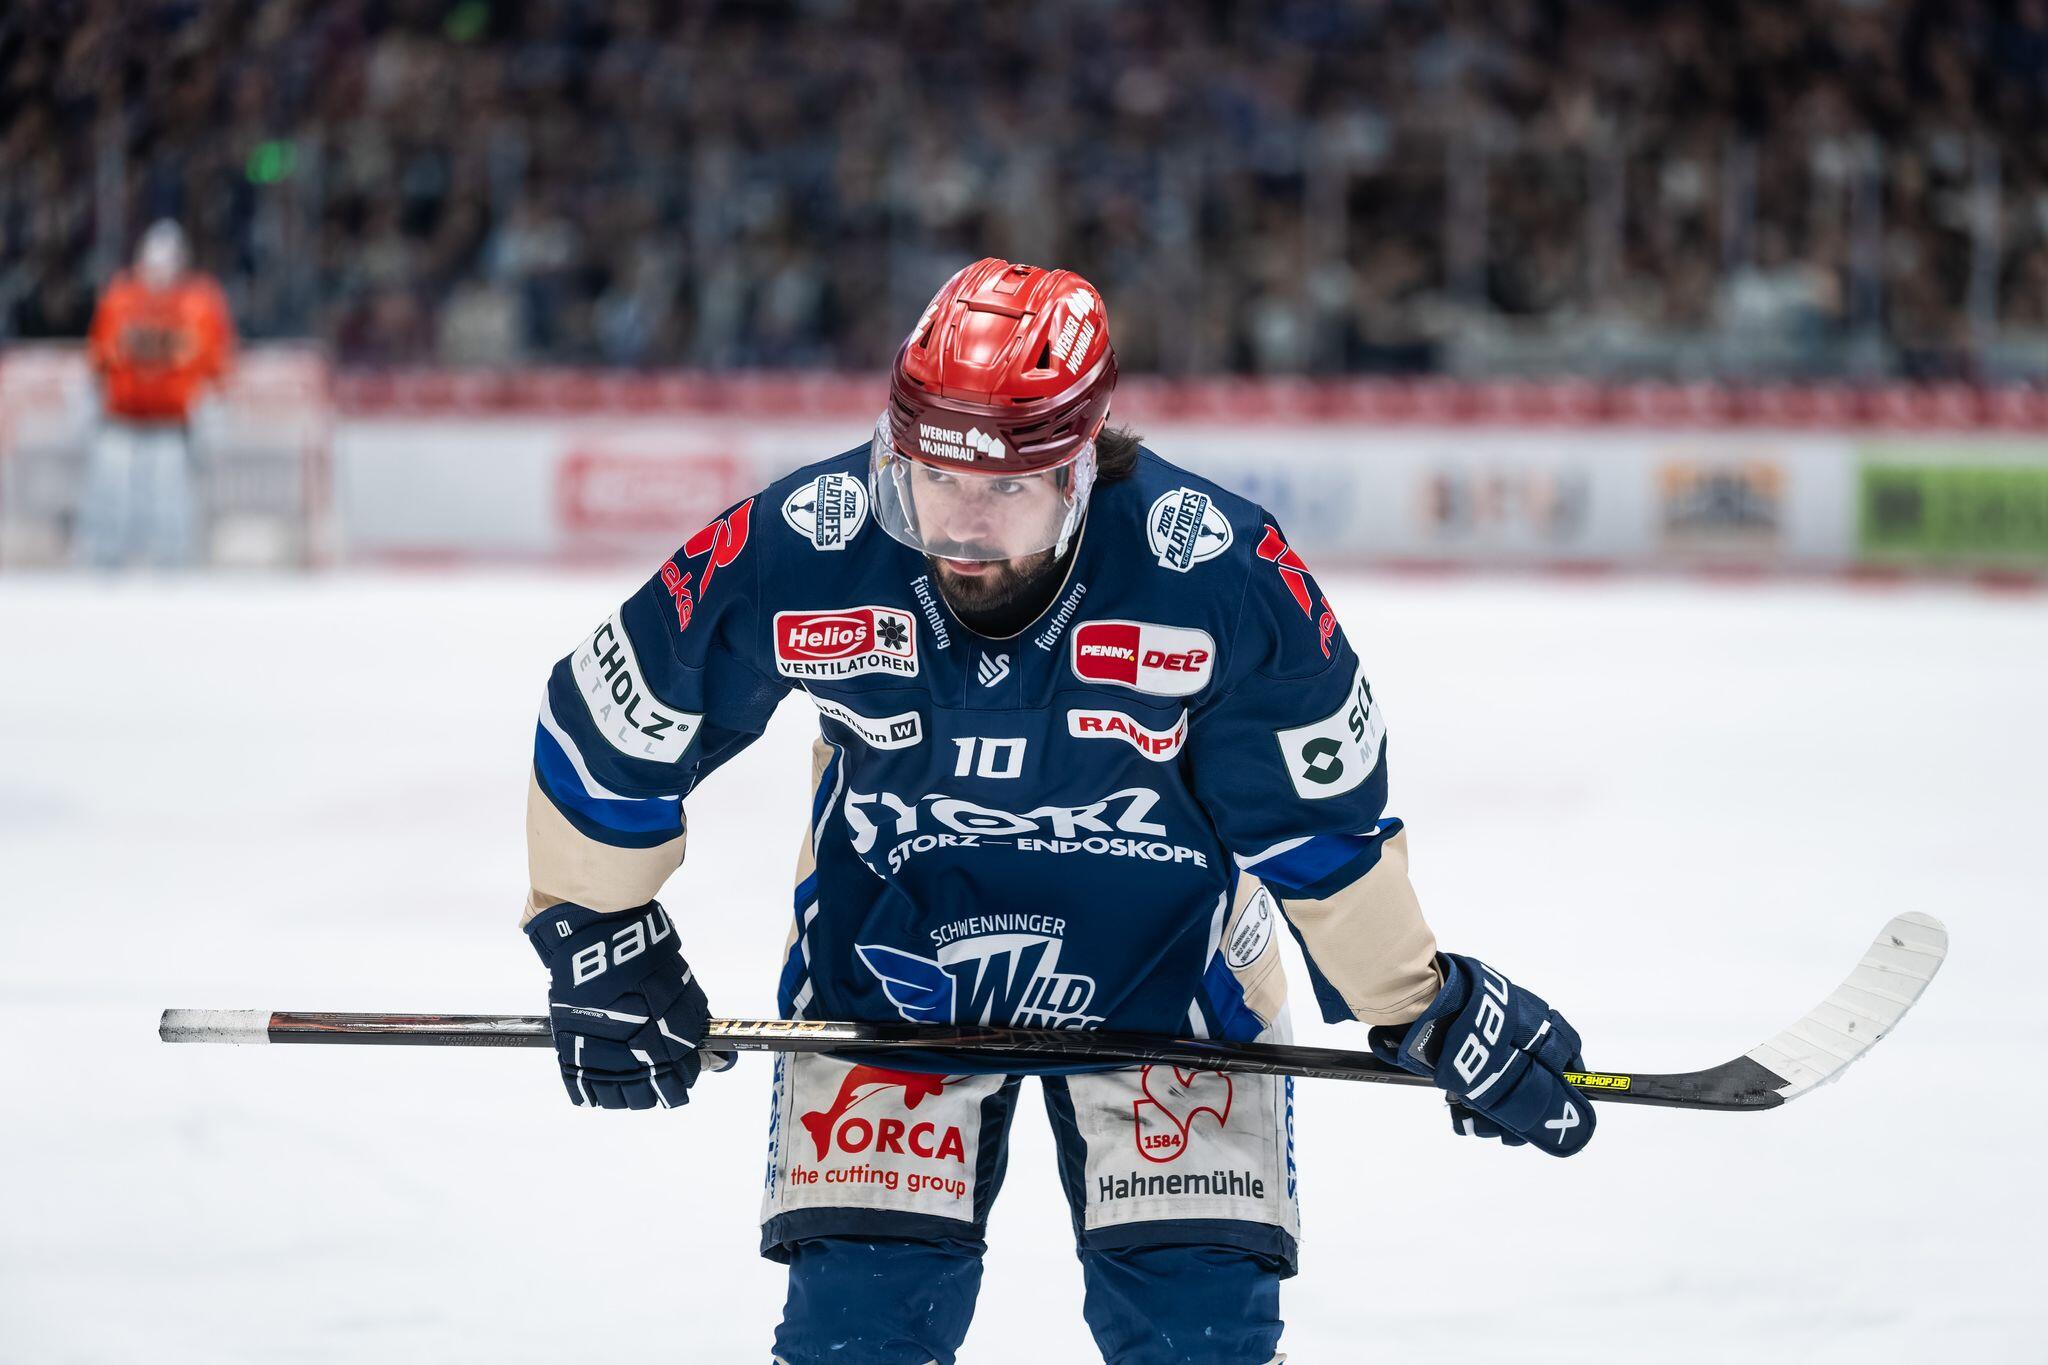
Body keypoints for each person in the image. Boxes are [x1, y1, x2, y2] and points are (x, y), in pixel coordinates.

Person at [522, 258, 1595, 1364]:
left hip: (1168, 985)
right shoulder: (807, 541)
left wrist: (1422, 1003)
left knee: (1197, 1345)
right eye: (933, 477)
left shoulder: (1218, 574)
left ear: (1082, 467)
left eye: (1006, 489)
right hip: (889, 974)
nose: (961, 523)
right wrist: (599, 933)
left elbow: (1314, 829)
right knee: (856, 1338)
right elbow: (611, 723)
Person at [77, 220, 235, 568]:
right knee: (112, 493)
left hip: (173, 425)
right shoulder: (121, 299)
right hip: (122, 421)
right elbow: (99, 358)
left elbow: (217, 365)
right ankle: (105, 563)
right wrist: (92, 400)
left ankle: (174, 565)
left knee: (171, 498)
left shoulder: (199, 303)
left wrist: (211, 407)